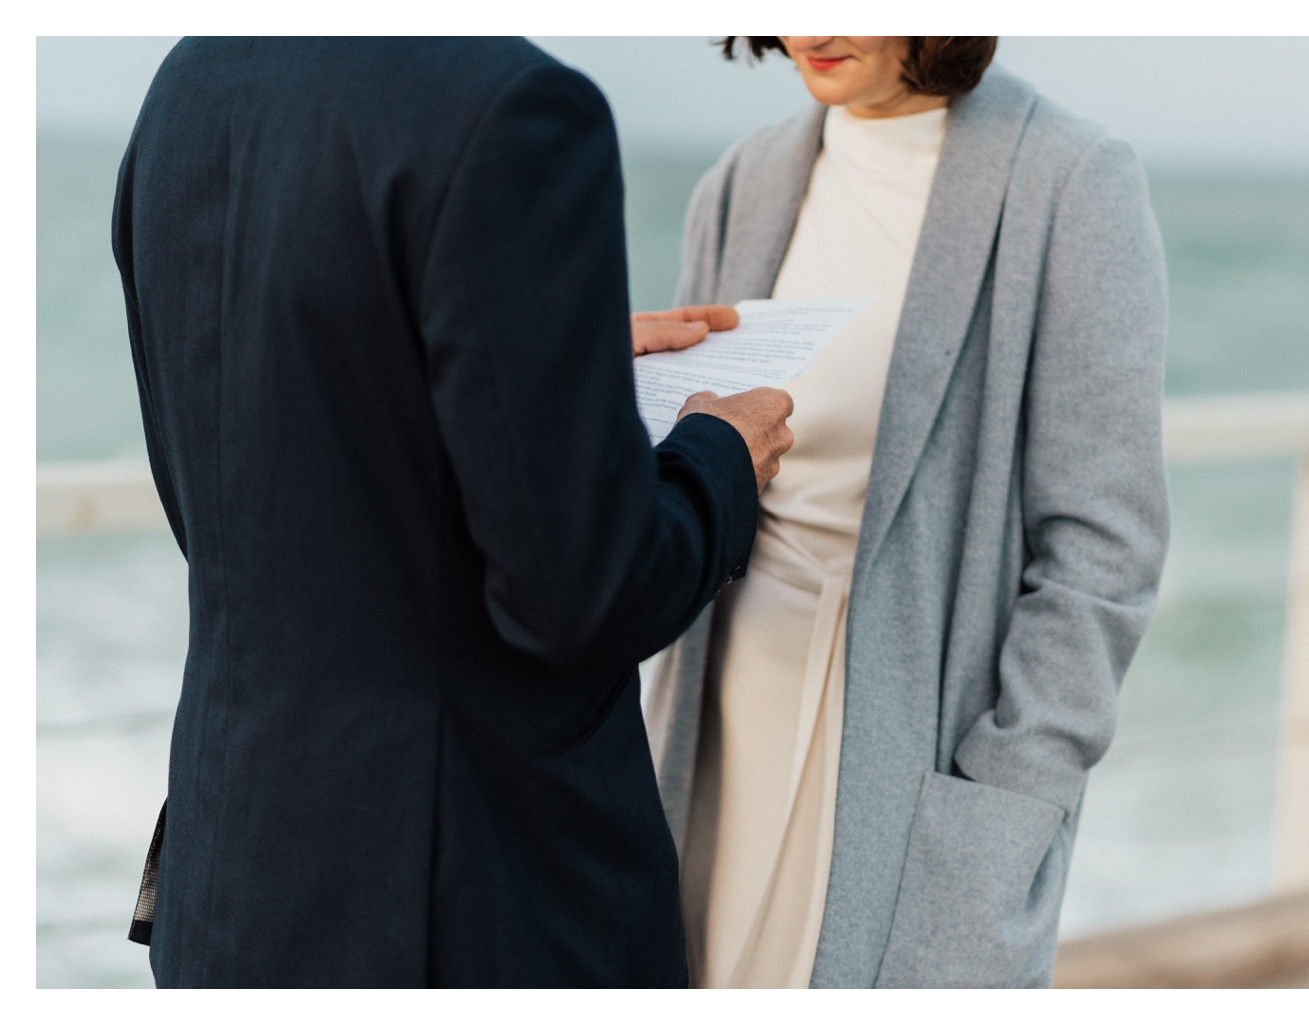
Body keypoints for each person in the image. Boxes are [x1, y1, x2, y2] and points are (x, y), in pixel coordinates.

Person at [113, 36, 793, 987]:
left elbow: (263, 469)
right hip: (462, 892)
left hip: (230, 866)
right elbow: (586, 595)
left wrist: (559, 372)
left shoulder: (190, 80)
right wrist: (715, 455)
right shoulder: (514, 107)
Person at [645, 36, 1171, 988]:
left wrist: (1015, 791)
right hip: (712, 733)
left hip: (907, 768)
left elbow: (1104, 547)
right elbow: (682, 465)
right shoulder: (742, 179)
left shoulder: (1068, 181)